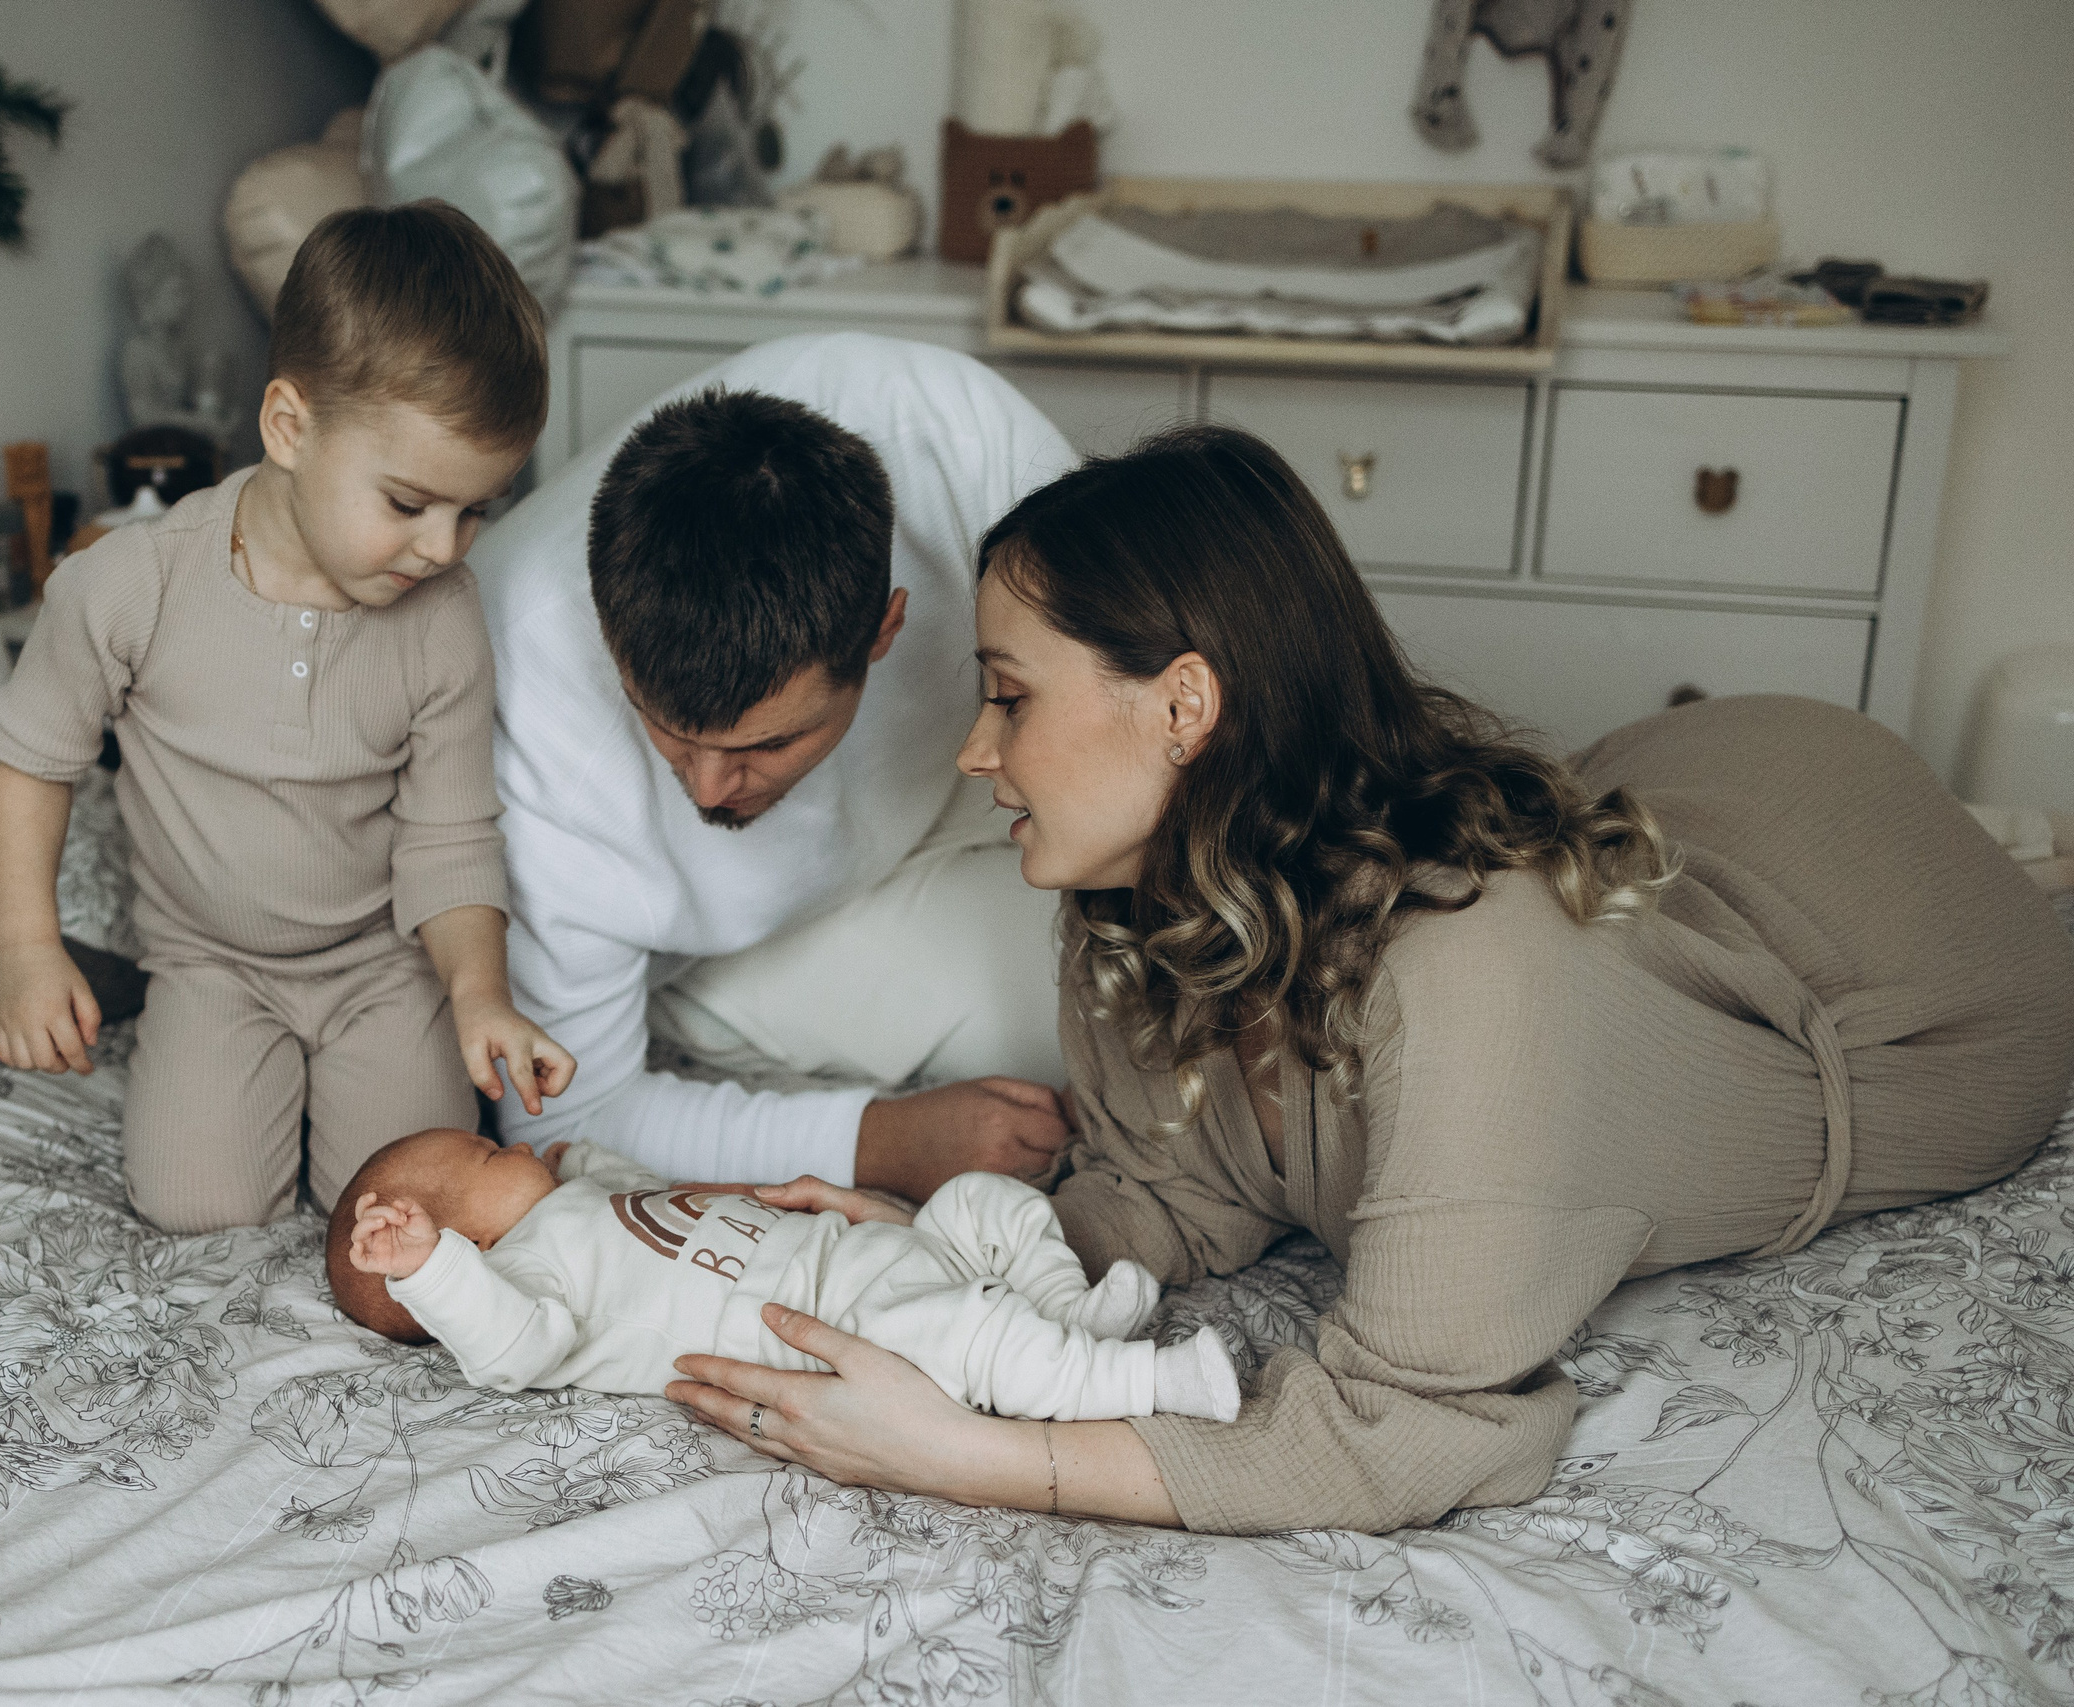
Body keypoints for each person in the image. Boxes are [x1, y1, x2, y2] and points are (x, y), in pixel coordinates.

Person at [666, 424, 2074, 1535]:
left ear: (1184, 703)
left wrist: (972, 1453)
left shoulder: (1475, 968)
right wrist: (943, 1240)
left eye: (1010, 695)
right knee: (1556, 834)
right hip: (1668, 790)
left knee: (1551, 899)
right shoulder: (1131, 890)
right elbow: (1176, 1187)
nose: (976, 751)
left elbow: (1419, 1422)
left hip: (1888, 947)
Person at [0, 203, 575, 1234]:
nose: (443, 547)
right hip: (211, 965)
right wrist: (27, 947)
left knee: (410, 1209)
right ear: (289, 428)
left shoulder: (441, 617)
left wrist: (476, 993)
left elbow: (448, 834)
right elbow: (31, 761)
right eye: (408, 504)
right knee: (196, 1207)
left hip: (382, 967)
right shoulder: (131, 585)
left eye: (475, 510)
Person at [471, 332, 1079, 1198]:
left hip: (962, 798)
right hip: (732, 949)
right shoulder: (524, 718)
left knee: (1196, 1000)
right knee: (1081, 1038)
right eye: (672, 732)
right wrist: (884, 1141)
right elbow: (566, 1118)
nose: (711, 789)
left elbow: (1130, 697)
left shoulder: (960, 444)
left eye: (766, 745)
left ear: (884, 630)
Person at [327, 1127, 1239, 1422]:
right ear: (468, 1244)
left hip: (865, 1250)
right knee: (969, 1337)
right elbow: (508, 1350)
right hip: (834, 1323)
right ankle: (1146, 1382)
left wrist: (583, 1156)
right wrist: (428, 1272)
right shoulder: (522, 1279)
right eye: (493, 1152)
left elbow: (649, 1197)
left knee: (981, 1202)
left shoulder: (574, 1198)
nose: (516, 1142)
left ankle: (1067, 1309)